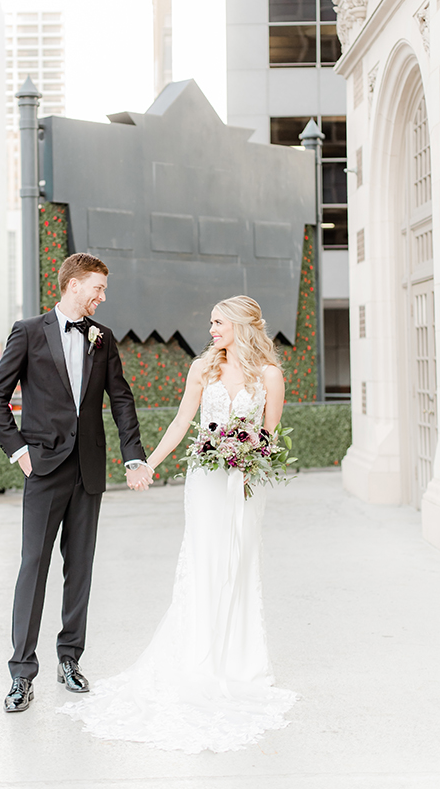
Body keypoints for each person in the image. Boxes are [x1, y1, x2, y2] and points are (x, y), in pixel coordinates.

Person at [60, 295, 298, 752]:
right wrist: (145, 463)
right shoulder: (202, 369)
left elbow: (271, 438)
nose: (210, 330)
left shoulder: (270, 375)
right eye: (210, 322)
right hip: (206, 482)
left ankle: (238, 663)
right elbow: (180, 423)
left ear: (241, 326)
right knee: (204, 562)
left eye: (217, 323)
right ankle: (196, 657)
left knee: (240, 565)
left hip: (245, 486)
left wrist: (248, 453)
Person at [0, 253, 150, 714]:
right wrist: (20, 452)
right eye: (97, 288)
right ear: (73, 284)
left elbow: (121, 399)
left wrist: (133, 455)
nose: (102, 297)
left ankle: (70, 659)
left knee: (80, 569)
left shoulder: (104, 338)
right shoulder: (28, 331)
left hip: (88, 471)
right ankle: (21, 673)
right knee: (33, 569)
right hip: (43, 469)